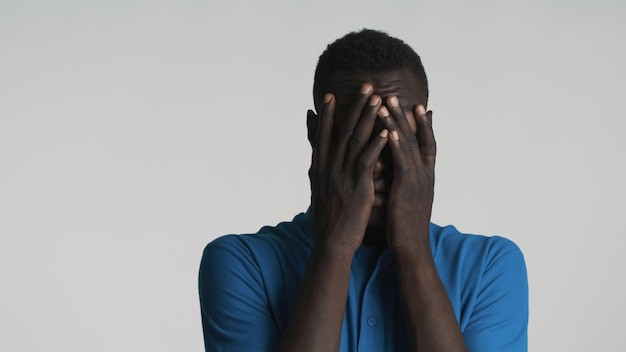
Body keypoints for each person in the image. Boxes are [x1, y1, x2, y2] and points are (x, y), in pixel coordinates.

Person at [198, 29, 528, 352]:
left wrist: (413, 249)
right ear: (316, 133)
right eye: (356, 133)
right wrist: (335, 247)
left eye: (398, 135)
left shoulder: (490, 266)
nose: (378, 162)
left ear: (427, 135)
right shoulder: (241, 263)